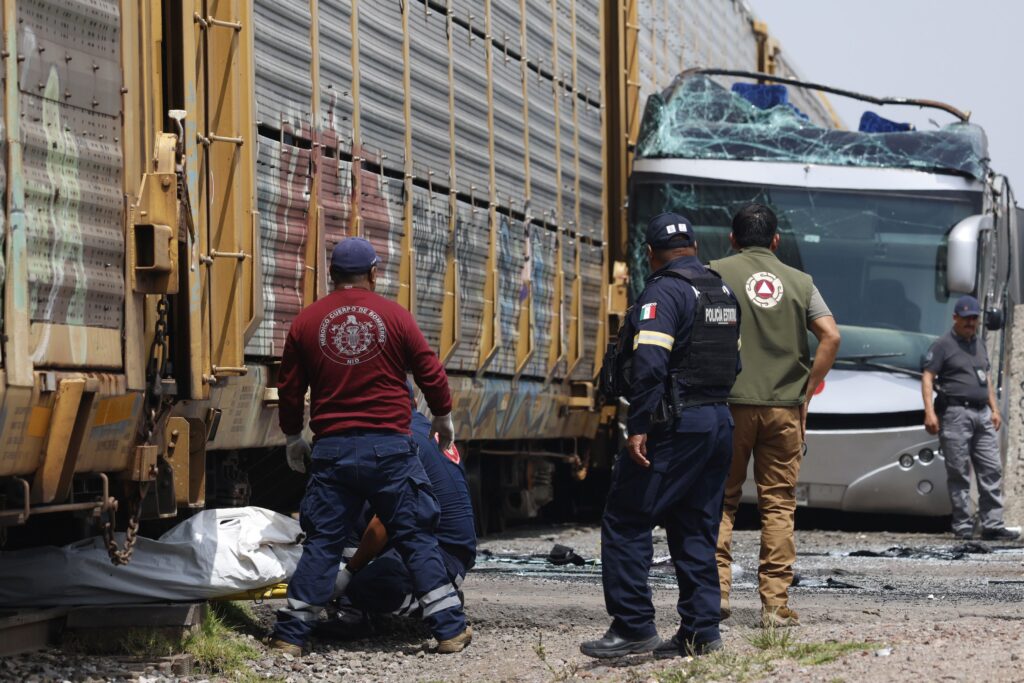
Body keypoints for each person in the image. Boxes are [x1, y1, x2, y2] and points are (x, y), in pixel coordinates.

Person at [267, 237, 472, 655]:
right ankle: (449, 630)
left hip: (333, 451)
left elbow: (290, 388)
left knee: (323, 542)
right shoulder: (395, 316)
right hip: (390, 451)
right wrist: (442, 415)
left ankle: (289, 638)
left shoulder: (306, 322)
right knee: (415, 536)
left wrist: (292, 435)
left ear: (332, 275)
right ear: (374, 274)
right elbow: (430, 370)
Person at [581, 212, 740, 659]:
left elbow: (650, 361)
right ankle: (700, 630)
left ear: (650, 254)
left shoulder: (663, 291)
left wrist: (640, 426)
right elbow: (735, 363)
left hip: (675, 424)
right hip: (718, 420)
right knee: (696, 524)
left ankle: (632, 626)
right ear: (692, 245)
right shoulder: (721, 290)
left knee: (627, 519)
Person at [713, 203, 840, 628]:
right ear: (776, 240)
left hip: (728, 405)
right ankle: (774, 606)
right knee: (778, 505)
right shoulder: (800, 282)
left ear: (732, 239)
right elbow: (831, 335)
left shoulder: (715, 273)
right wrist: (805, 389)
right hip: (784, 408)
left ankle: (716, 594)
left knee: (719, 502)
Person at [323, 406, 477, 634]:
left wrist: (349, 573)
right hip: (434, 539)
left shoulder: (402, 441)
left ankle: (439, 604)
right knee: (352, 501)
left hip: (444, 553)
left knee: (367, 587)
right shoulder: (421, 427)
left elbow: (385, 520)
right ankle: (352, 610)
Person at [922, 295, 1019, 541]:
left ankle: (993, 524)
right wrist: (929, 412)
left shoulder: (979, 343)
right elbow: (927, 378)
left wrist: (994, 409)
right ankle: (963, 526)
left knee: (991, 468)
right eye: (965, 318)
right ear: (955, 318)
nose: (970, 322)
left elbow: (985, 378)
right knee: (959, 471)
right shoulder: (942, 345)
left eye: (974, 318)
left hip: (982, 413)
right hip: (955, 414)